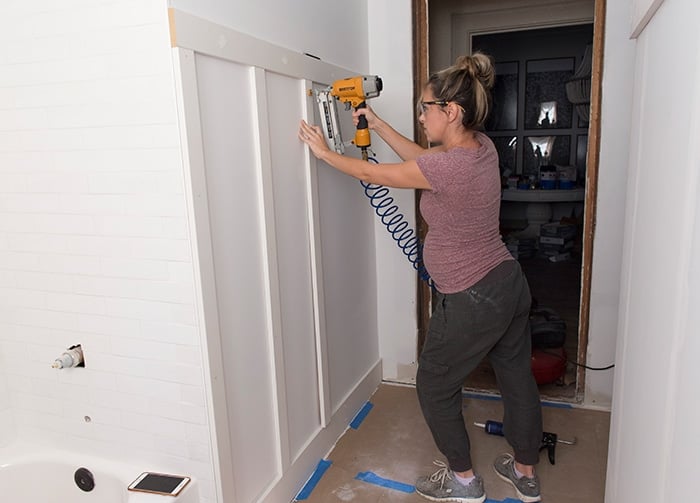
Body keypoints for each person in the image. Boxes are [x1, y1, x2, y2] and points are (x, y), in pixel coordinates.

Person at [298, 52, 543, 503]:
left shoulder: (449, 166)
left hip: (474, 297)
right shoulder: (479, 148)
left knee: (433, 383)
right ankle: (525, 472)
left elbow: (377, 172)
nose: (421, 117)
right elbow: (424, 163)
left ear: (451, 111)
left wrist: (325, 154)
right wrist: (375, 121)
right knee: (515, 376)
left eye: (425, 108)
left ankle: (465, 483)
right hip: (508, 282)